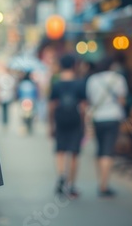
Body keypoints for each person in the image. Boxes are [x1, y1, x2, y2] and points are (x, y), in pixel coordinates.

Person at [85, 56, 128, 197]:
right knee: (108, 151)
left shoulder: (92, 80)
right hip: (113, 117)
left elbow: (90, 100)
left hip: (97, 117)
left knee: (100, 149)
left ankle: (100, 182)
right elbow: (122, 100)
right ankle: (104, 185)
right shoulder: (118, 79)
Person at [49, 54, 86, 198]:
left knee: (60, 150)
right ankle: (71, 184)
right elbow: (83, 107)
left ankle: (61, 176)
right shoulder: (79, 83)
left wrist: (51, 124)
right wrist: (84, 123)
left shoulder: (56, 83)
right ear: (74, 65)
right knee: (74, 152)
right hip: (75, 119)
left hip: (60, 118)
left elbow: (51, 106)